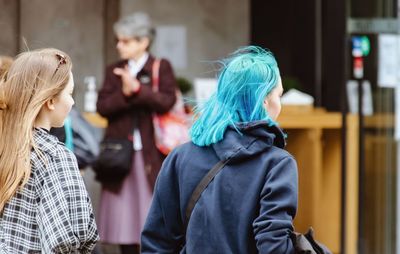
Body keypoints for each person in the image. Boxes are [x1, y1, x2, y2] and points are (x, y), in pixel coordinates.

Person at [141, 46, 298, 253]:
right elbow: (274, 245)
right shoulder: (277, 164)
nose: (280, 104)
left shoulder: (179, 157)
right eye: (278, 95)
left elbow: (157, 241)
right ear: (264, 100)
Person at [0, 48, 99, 253]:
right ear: (51, 100)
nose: (72, 101)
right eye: (69, 94)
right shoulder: (55, 156)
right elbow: (74, 235)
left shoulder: (6, 146)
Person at [96, 12, 177, 254]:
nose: (120, 45)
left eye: (126, 41)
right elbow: (103, 107)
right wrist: (126, 94)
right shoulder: (114, 70)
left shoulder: (160, 67)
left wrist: (138, 89)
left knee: (150, 214)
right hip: (121, 154)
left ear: (143, 42)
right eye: (118, 40)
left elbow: (166, 101)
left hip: (152, 154)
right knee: (123, 218)